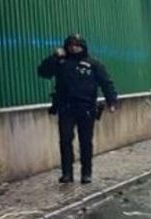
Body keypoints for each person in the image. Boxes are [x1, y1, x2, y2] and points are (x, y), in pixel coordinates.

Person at [37, 34, 118, 184]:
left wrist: (111, 101)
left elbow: (106, 83)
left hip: (86, 108)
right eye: (70, 45)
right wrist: (54, 57)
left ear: (83, 46)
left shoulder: (93, 64)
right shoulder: (61, 63)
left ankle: (86, 173)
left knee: (85, 142)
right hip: (66, 107)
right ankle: (67, 173)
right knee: (65, 140)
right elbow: (43, 72)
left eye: (77, 45)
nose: (74, 48)